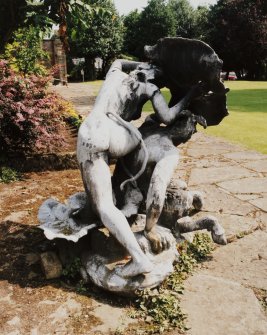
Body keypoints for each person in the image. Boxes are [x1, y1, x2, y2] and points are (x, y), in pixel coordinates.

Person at [77, 59, 201, 278]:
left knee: (104, 205)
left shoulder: (115, 73)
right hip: (122, 136)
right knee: (101, 200)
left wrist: (141, 62)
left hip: (93, 132)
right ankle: (103, 209)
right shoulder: (150, 87)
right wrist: (190, 94)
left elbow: (118, 61)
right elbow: (167, 117)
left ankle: (140, 259)